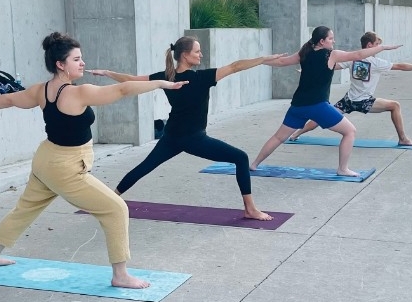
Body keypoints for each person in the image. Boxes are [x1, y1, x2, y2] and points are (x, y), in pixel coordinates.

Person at [0, 32, 187, 289]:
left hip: (46, 160)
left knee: (24, 209)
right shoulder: (78, 93)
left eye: (82, 58)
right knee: (116, 209)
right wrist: (162, 84)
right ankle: (120, 275)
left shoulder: (40, 91)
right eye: (76, 59)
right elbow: (122, 89)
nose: (82, 63)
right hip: (65, 168)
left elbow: (10, 99)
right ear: (60, 64)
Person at [88, 36, 283, 221]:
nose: (201, 55)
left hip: (171, 136)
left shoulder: (166, 77)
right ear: (185, 55)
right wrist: (264, 59)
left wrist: (107, 72)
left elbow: (129, 79)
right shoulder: (201, 78)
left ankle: (109, 200)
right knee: (241, 158)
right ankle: (250, 209)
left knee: (144, 168)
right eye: (197, 51)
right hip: (194, 139)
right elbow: (234, 67)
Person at [250, 26, 401, 177]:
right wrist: (382, 47)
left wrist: (260, 61)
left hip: (298, 105)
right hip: (318, 106)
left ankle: (254, 164)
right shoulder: (331, 55)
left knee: (278, 137)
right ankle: (343, 169)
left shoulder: (305, 52)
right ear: (322, 41)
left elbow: (282, 62)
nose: (333, 41)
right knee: (350, 131)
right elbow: (359, 54)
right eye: (330, 38)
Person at [287, 32, 412, 146]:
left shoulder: (352, 58)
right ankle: (403, 139)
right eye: (377, 44)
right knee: (395, 106)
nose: (379, 46)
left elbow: (332, 67)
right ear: (370, 45)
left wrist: (308, 71)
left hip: (349, 100)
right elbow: (400, 66)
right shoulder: (376, 62)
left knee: (321, 117)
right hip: (365, 102)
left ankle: (295, 134)